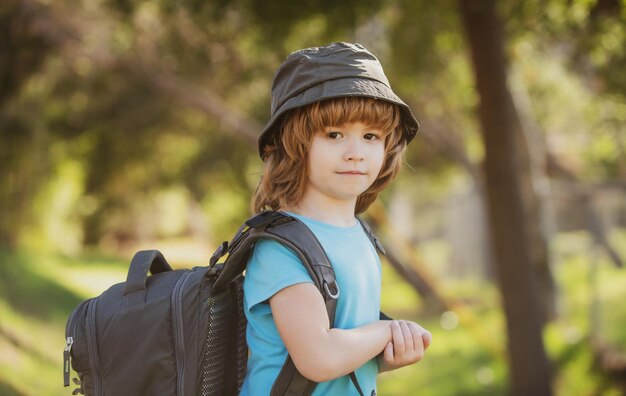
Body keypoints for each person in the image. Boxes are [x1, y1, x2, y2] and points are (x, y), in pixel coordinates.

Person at [240, 42, 431, 396]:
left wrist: (391, 351)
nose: (356, 153)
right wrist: (384, 332)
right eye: (334, 135)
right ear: (294, 144)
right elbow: (318, 358)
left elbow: (346, 351)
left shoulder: (360, 235)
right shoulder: (281, 248)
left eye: (371, 136)